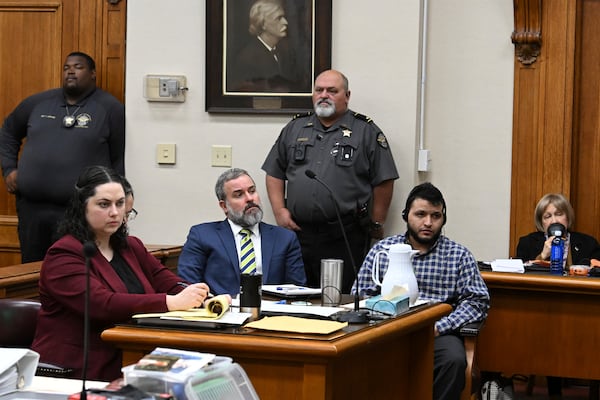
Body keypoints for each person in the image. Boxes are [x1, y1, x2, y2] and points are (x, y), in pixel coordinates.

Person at [31, 166, 210, 382]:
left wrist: (202, 296)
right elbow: (101, 303)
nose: (115, 212)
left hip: (132, 355)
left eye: (120, 203)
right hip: (78, 367)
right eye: (104, 204)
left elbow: (167, 281)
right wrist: (171, 302)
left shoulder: (131, 246)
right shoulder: (64, 253)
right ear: (82, 207)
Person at [261, 69, 399, 292]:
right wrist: (279, 211)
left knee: (341, 298)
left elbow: (384, 179)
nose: (324, 95)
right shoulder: (295, 128)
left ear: (347, 95)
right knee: (297, 294)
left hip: (345, 233)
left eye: (332, 91)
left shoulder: (365, 131)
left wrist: (376, 222)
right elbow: (274, 172)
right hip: (298, 232)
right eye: (319, 90)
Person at [353, 182, 490, 400]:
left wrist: (440, 327)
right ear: (406, 215)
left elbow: (477, 301)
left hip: (438, 334)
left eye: (436, 216)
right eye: (420, 214)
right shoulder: (382, 250)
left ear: (443, 219)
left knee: (453, 361)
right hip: (387, 332)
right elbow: (359, 296)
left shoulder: (458, 255)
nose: (428, 222)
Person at [0, 51, 125, 263]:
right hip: (32, 208)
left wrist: (123, 194)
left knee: (71, 266)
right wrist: (9, 168)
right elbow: (8, 132)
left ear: (93, 73)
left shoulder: (110, 108)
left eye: (78, 67)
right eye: (67, 67)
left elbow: (118, 158)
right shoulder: (38, 102)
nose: (71, 71)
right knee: (31, 269)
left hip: (79, 210)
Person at [516, 193, 600, 398]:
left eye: (559, 214)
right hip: (542, 308)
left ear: (568, 219)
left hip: (581, 308)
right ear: (541, 223)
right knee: (549, 328)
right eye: (547, 216)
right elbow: (520, 275)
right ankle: (554, 391)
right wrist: (541, 256)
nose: (554, 220)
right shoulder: (528, 243)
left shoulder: (587, 243)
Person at [177, 168, 306, 295]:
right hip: (221, 312)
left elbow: (297, 290)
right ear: (224, 206)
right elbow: (188, 286)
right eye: (239, 194)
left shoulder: (284, 238)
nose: (250, 198)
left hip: (271, 313)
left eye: (252, 191)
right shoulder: (202, 236)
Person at [227, 0, 303, 92]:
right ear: (263, 24)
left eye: (284, 17)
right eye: (279, 18)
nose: (285, 22)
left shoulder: (286, 52)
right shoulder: (247, 58)